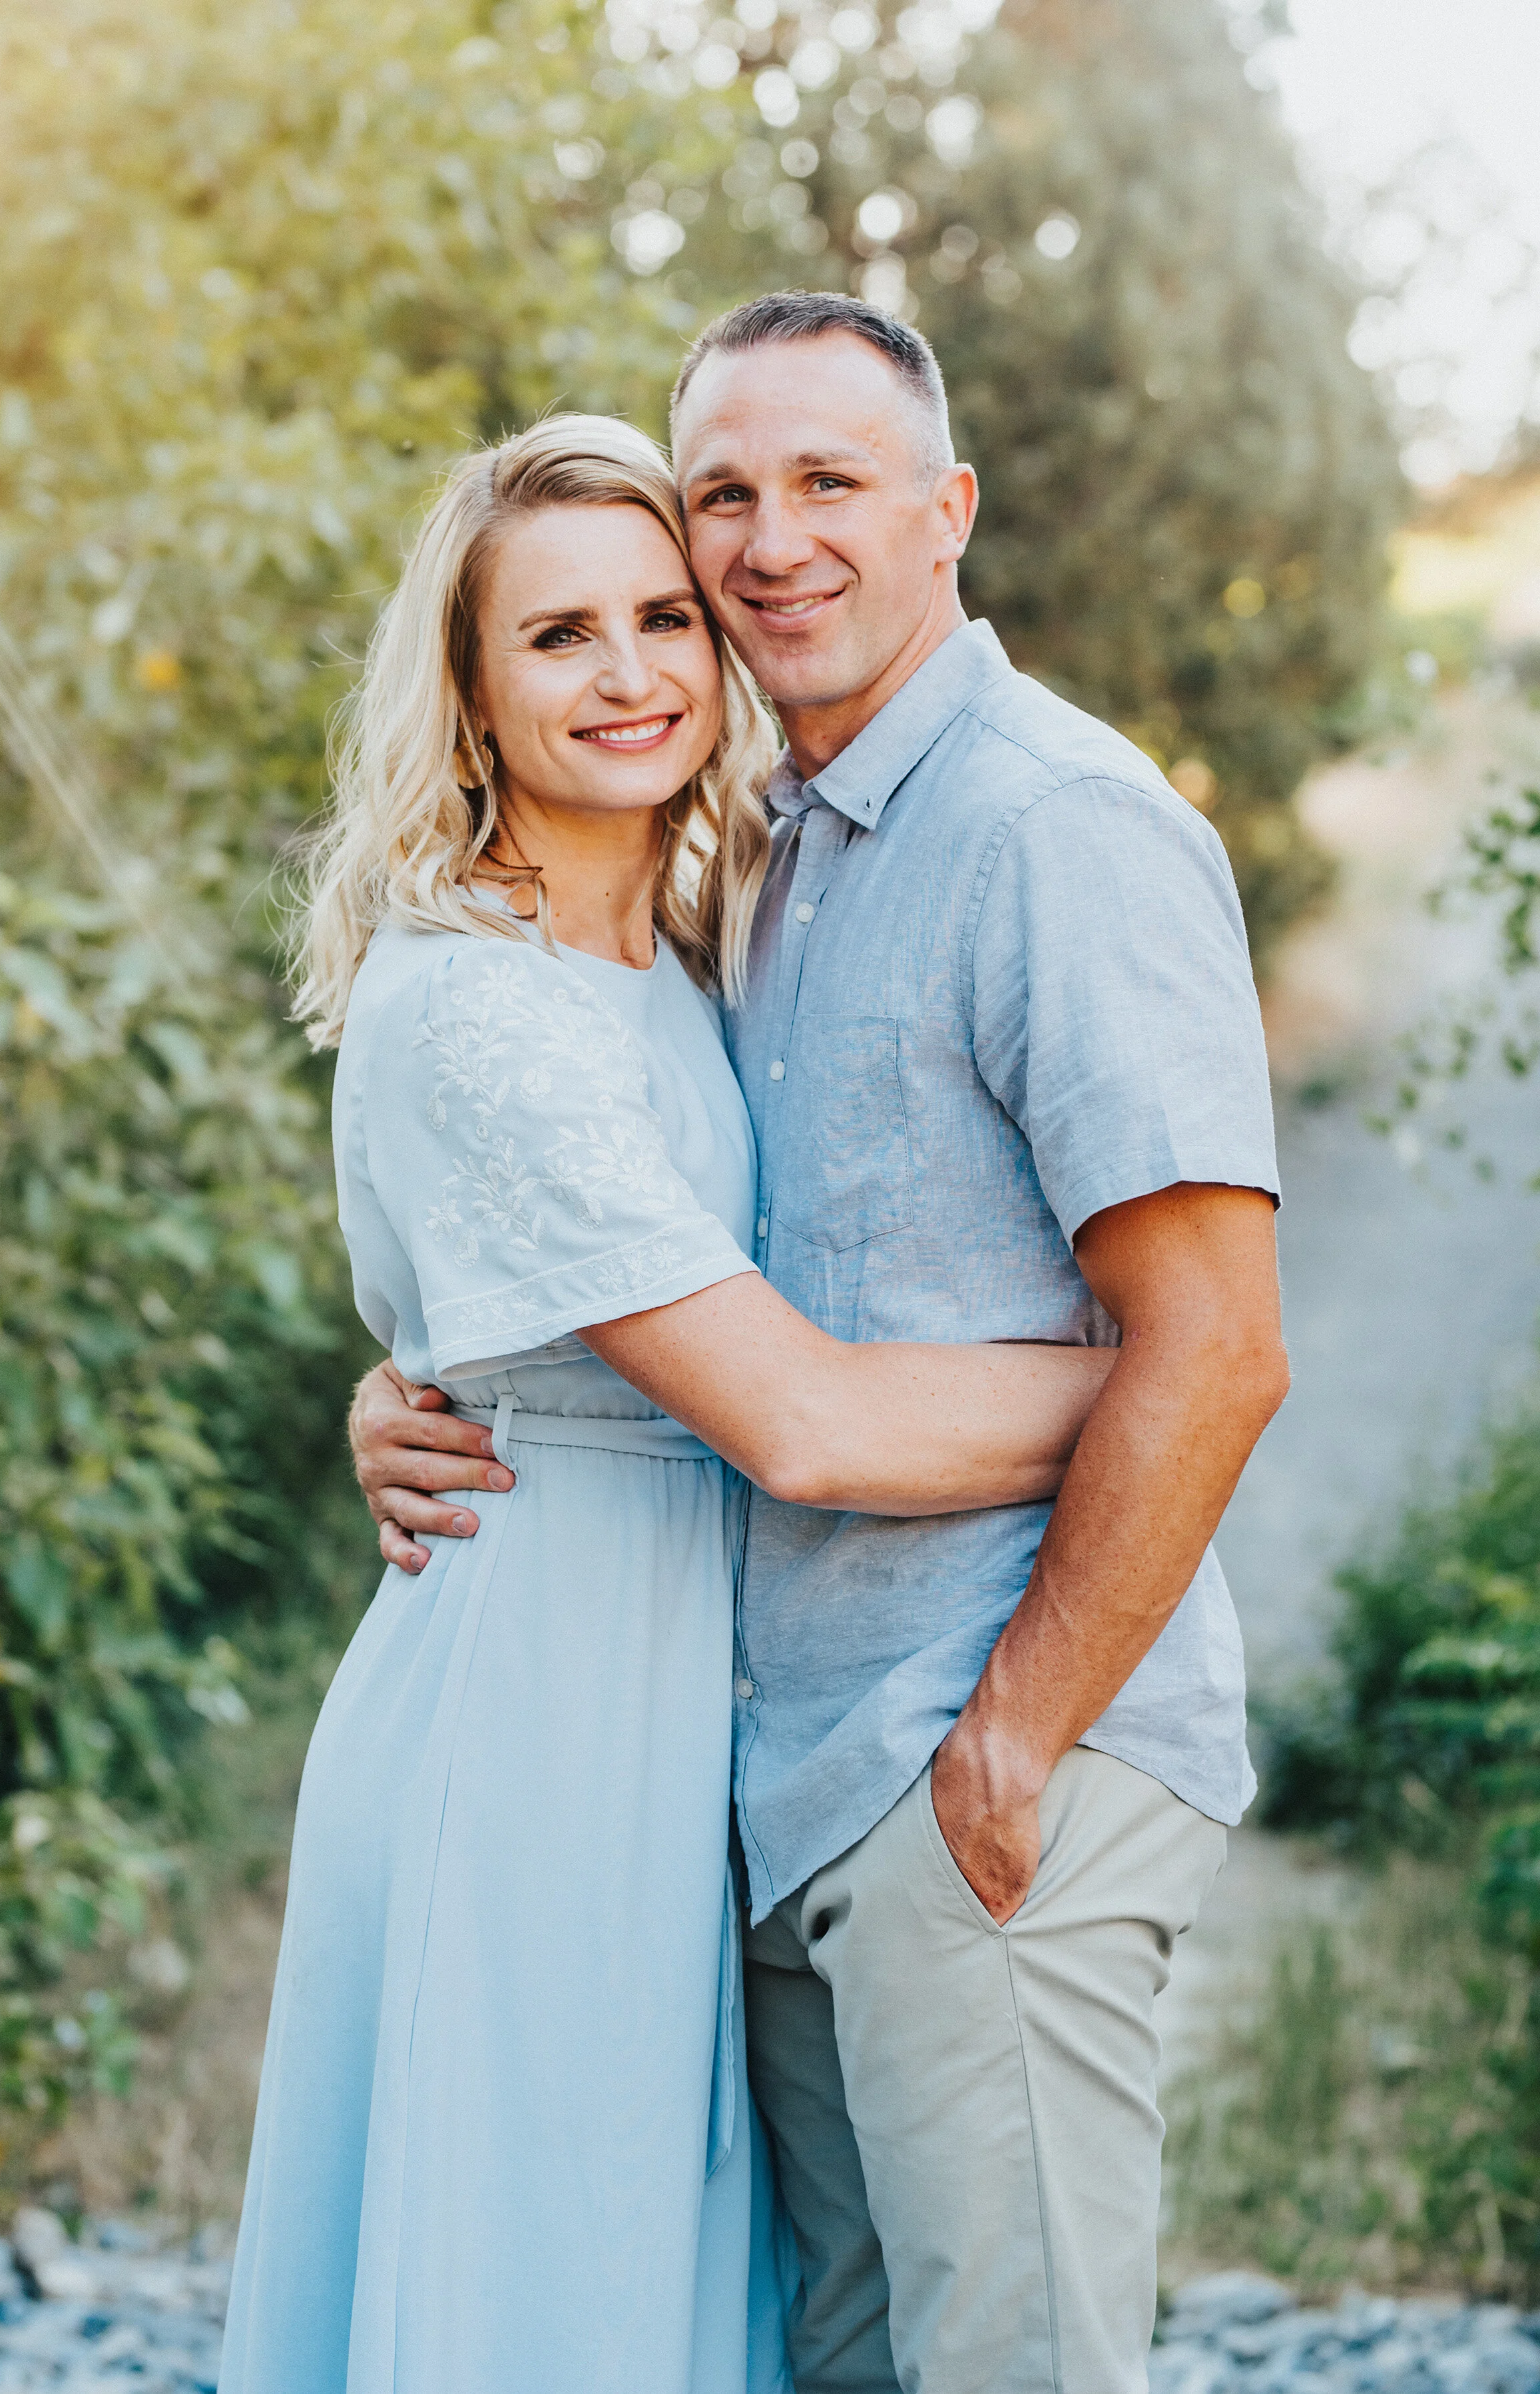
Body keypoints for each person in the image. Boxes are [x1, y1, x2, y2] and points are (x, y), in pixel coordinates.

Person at [353, 294, 1290, 2394]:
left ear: (947, 514)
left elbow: (1215, 1349)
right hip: (776, 1776)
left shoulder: (1060, 828)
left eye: (832, 484)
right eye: (729, 499)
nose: (773, 543)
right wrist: (430, 1390)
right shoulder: (767, 854)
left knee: (1015, 2367)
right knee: (847, 2365)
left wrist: (1024, 1730)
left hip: (980, 1755)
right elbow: (658, 1253)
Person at [219, 411, 1121, 2394]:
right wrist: (1165, 1389)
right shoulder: (474, 999)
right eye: (555, 637)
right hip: (532, 1721)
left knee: (666, 2289)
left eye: (660, 618)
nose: (627, 672)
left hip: (686, 1715)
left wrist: (424, 1382)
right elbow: (796, 1421)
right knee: (540, 2291)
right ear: (466, 688)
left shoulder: (699, 957)